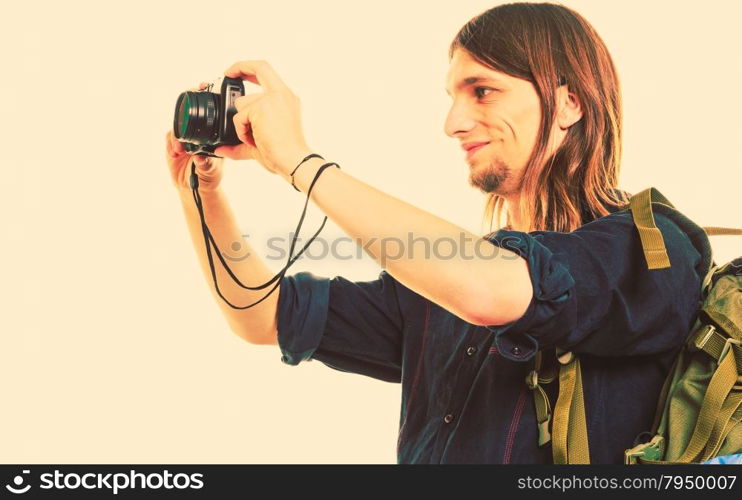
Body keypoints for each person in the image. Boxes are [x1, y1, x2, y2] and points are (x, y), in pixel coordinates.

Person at [165, 2, 710, 464]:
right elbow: (260, 316)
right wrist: (202, 194)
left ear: (569, 102)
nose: (453, 122)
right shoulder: (442, 283)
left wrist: (300, 163)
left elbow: (496, 291)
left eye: (483, 91)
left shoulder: (650, 246)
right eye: (453, 96)